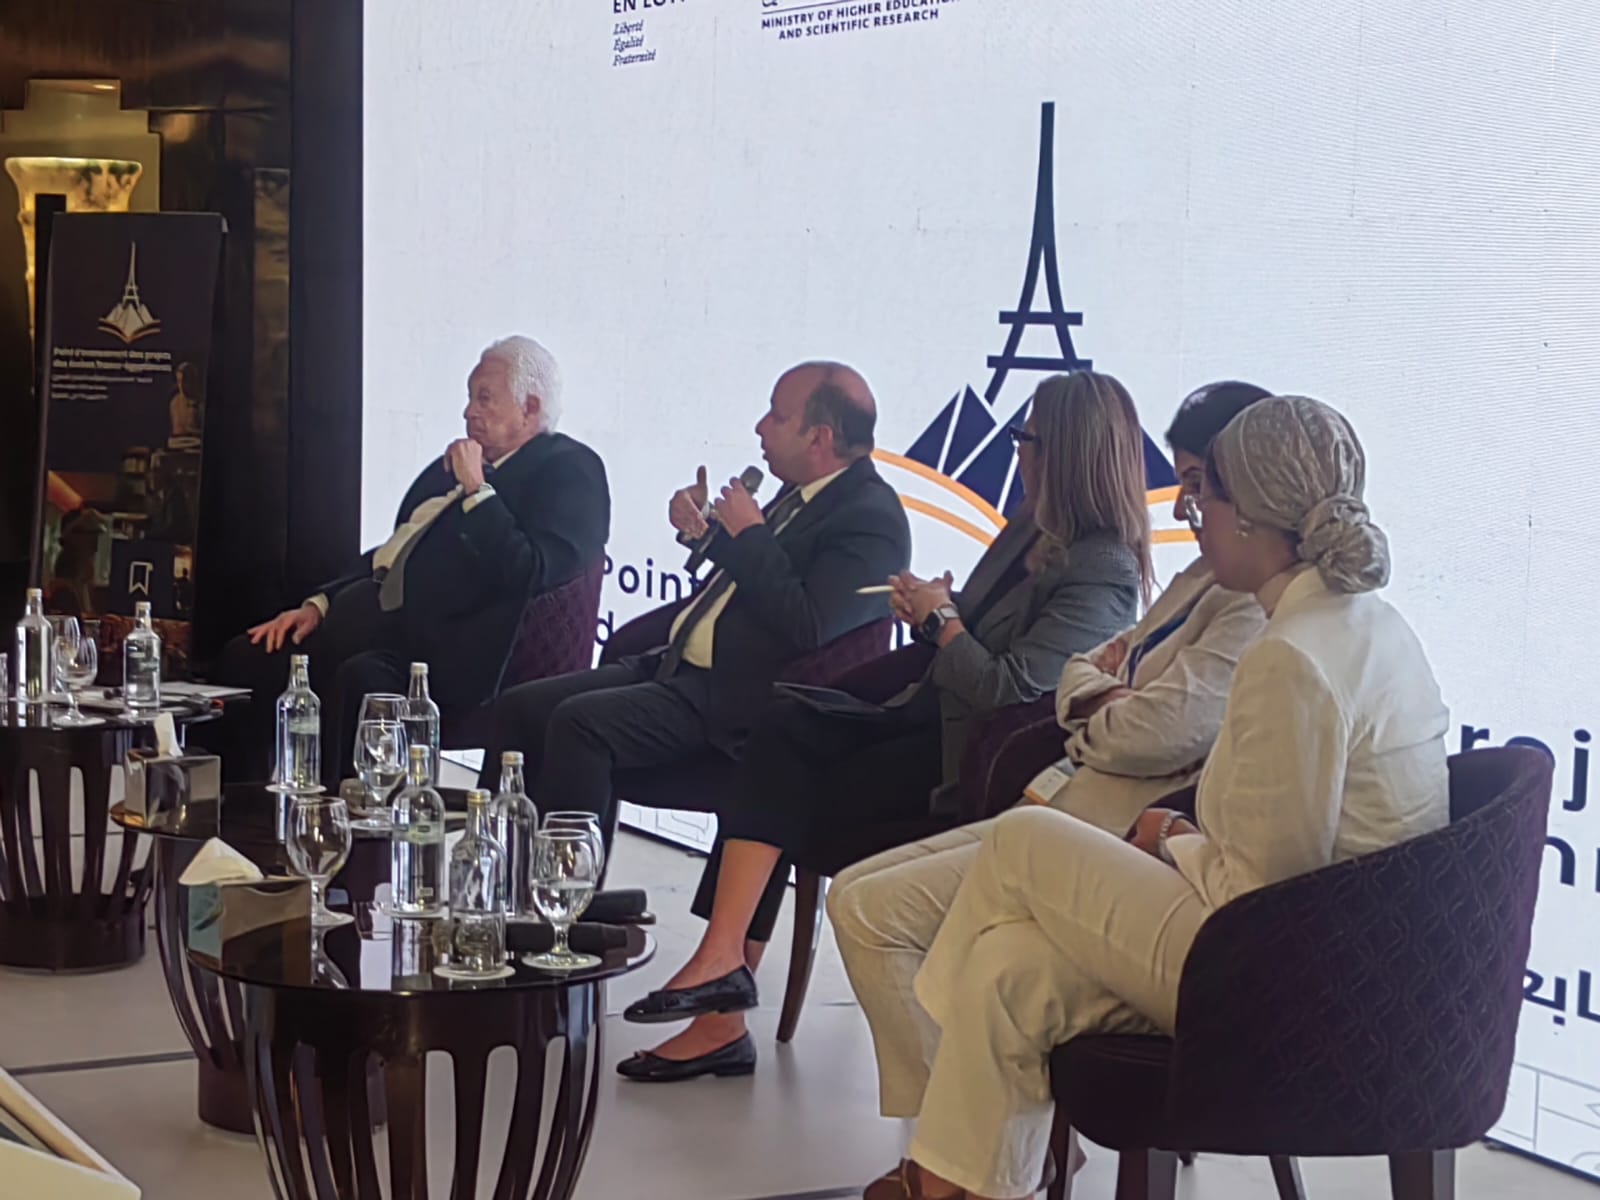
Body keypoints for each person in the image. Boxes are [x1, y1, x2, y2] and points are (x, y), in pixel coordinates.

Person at [869, 395, 1449, 1200]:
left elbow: (1258, 893)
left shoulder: (1292, 657)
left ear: (1252, 520)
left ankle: (936, 1091)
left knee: (1019, 843)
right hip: (1341, 954)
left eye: (1205, 497)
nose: (1191, 516)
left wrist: (1173, 838)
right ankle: (947, 1184)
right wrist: (1181, 835)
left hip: (1277, 970)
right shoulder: (1366, 624)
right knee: (1005, 969)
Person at [619, 370, 1156, 1083]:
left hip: (967, 759)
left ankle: (721, 997)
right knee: (779, 728)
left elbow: (1008, 690)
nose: (1018, 454)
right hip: (924, 711)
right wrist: (937, 605)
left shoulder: (1104, 570)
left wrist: (943, 622)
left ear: (1064, 452)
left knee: (775, 781)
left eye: (1025, 441)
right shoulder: (1032, 527)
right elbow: (983, 632)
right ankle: (722, 975)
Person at [825, 382, 1270, 1185]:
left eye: (1201, 485)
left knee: (888, 916)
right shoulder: (1192, 578)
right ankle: (961, 1153)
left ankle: (948, 1165)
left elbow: (1154, 726)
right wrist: (1101, 697)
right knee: (856, 895)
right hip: (1062, 795)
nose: (1188, 507)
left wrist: (1093, 697)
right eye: (1185, 482)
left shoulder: (1246, 607)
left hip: (1111, 836)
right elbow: (1082, 677)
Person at [475, 359, 912, 836]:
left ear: (819, 438)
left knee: (579, 724)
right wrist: (706, 532)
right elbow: (766, 577)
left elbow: (810, 624)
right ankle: (499, 863)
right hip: (681, 667)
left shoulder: (872, 521)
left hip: (736, 702)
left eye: (777, 416)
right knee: (520, 709)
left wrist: (751, 535)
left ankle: (570, 878)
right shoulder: (805, 490)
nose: (760, 427)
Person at [208, 335, 609, 787]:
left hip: (449, 651)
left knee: (360, 677)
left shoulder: (568, 469)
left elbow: (532, 569)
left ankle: (342, 819)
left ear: (530, 408)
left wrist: (477, 492)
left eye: (485, 398)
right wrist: (320, 603)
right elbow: (395, 551)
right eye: (469, 397)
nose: (468, 412)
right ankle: (241, 810)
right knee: (246, 659)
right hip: (373, 621)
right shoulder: (457, 466)